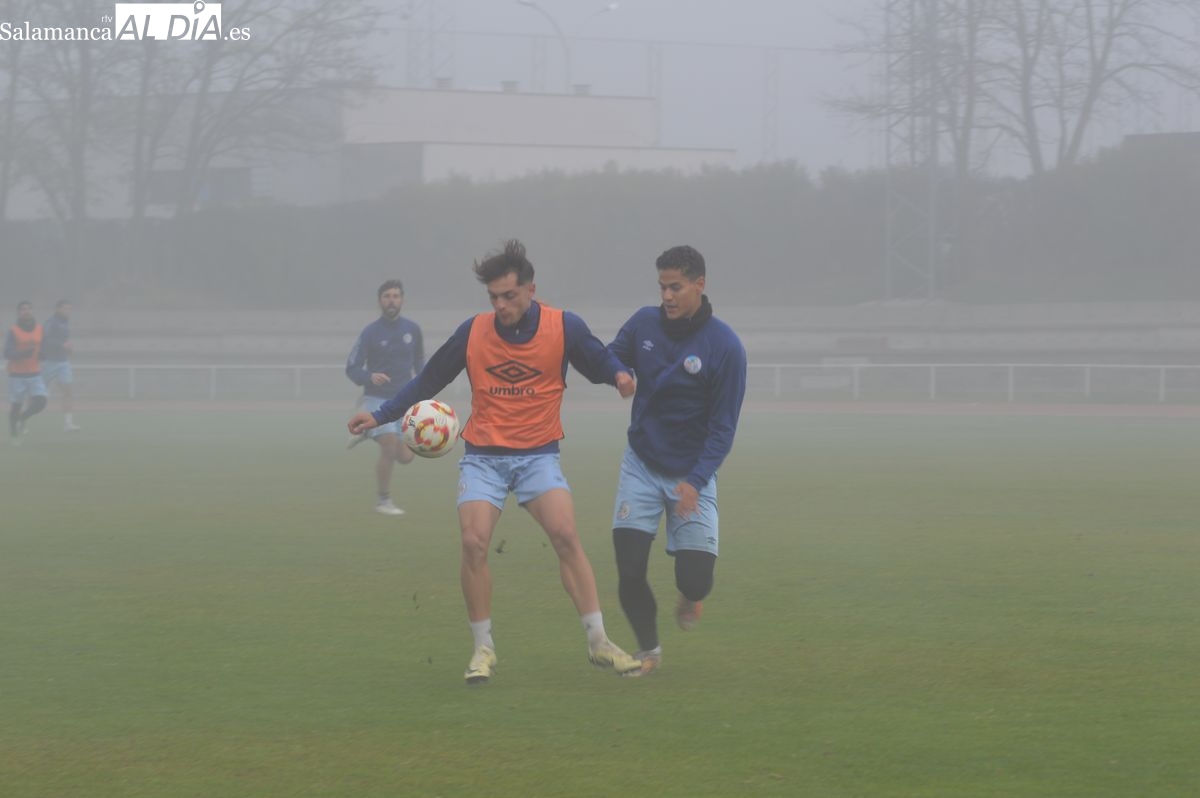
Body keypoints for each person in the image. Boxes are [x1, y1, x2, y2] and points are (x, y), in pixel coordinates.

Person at [347, 239, 643, 684]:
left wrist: (619, 374)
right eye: (493, 298)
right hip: (484, 458)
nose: (501, 305)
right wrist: (380, 415)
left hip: (538, 456)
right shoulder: (473, 332)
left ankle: (599, 641)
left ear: (530, 289)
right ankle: (483, 649)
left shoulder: (564, 326)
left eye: (509, 295)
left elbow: (598, 360)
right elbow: (428, 380)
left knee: (565, 535)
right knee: (473, 543)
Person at [606, 245, 747, 675]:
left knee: (696, 580)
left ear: (699, 285)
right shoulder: (644, 324)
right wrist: (617, 372)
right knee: (630, 568)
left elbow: (723, 429)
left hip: (693, 474)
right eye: (662, 287)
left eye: (675, 287)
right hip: (642, 464)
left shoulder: (726, 347)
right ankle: (649, 651)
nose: (666, 296)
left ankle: (689, 597)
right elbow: (610, 354)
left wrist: (696, 481)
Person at [345, 280, 425, 516]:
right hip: (376, 399)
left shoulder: (413, 330)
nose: (392, 300)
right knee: (389, 445)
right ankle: (383, 501)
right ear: (380, 301)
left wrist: (426, 390)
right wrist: (369, 376)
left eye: (396, 296)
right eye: (387, 296)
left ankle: (366, 430)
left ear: (402, 300)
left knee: (406, 457)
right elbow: (352, 367)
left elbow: (420, 363)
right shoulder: (370, 332)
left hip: (404, 401)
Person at [5, 300, 48, 444]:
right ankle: (14, 436)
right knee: (16, 405)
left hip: (35, 373)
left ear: (32, 311)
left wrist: (43, 354)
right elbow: (7, 352)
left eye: (29, 309)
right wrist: (22, 354)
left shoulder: (40, 329)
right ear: (19, 312)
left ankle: (23, 418)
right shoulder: (13, 330)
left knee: (41, 402)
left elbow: (44, 347)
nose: (26, 311)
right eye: (23, 309)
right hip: (17, 375)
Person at [41, 299, 81, 432]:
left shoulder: (66, 323)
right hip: (49, 362)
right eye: (65, 308)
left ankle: (68, 424)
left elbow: (65, 340)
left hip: (63, 362)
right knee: (37, 394)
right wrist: (62, 345)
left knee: (68, 392)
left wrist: (69, 349)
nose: (68, 311)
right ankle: (24, 419)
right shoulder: (50, 322)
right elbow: (46, 340)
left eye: (69, 309)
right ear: (57, 309)